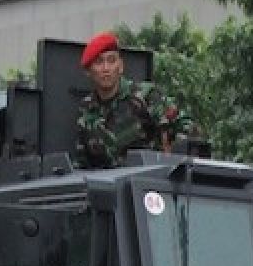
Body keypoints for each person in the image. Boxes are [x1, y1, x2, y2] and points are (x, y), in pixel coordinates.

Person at [75, 31, 198, 168]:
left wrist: (172, 161)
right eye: (99, 62)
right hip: (109, 185)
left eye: (111, 61)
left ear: (121, 66)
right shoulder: (87, 109)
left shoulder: (146, 95)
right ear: (88, 71)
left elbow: (187, 127)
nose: (106, 69)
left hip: (150, 181)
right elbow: (82, 161)